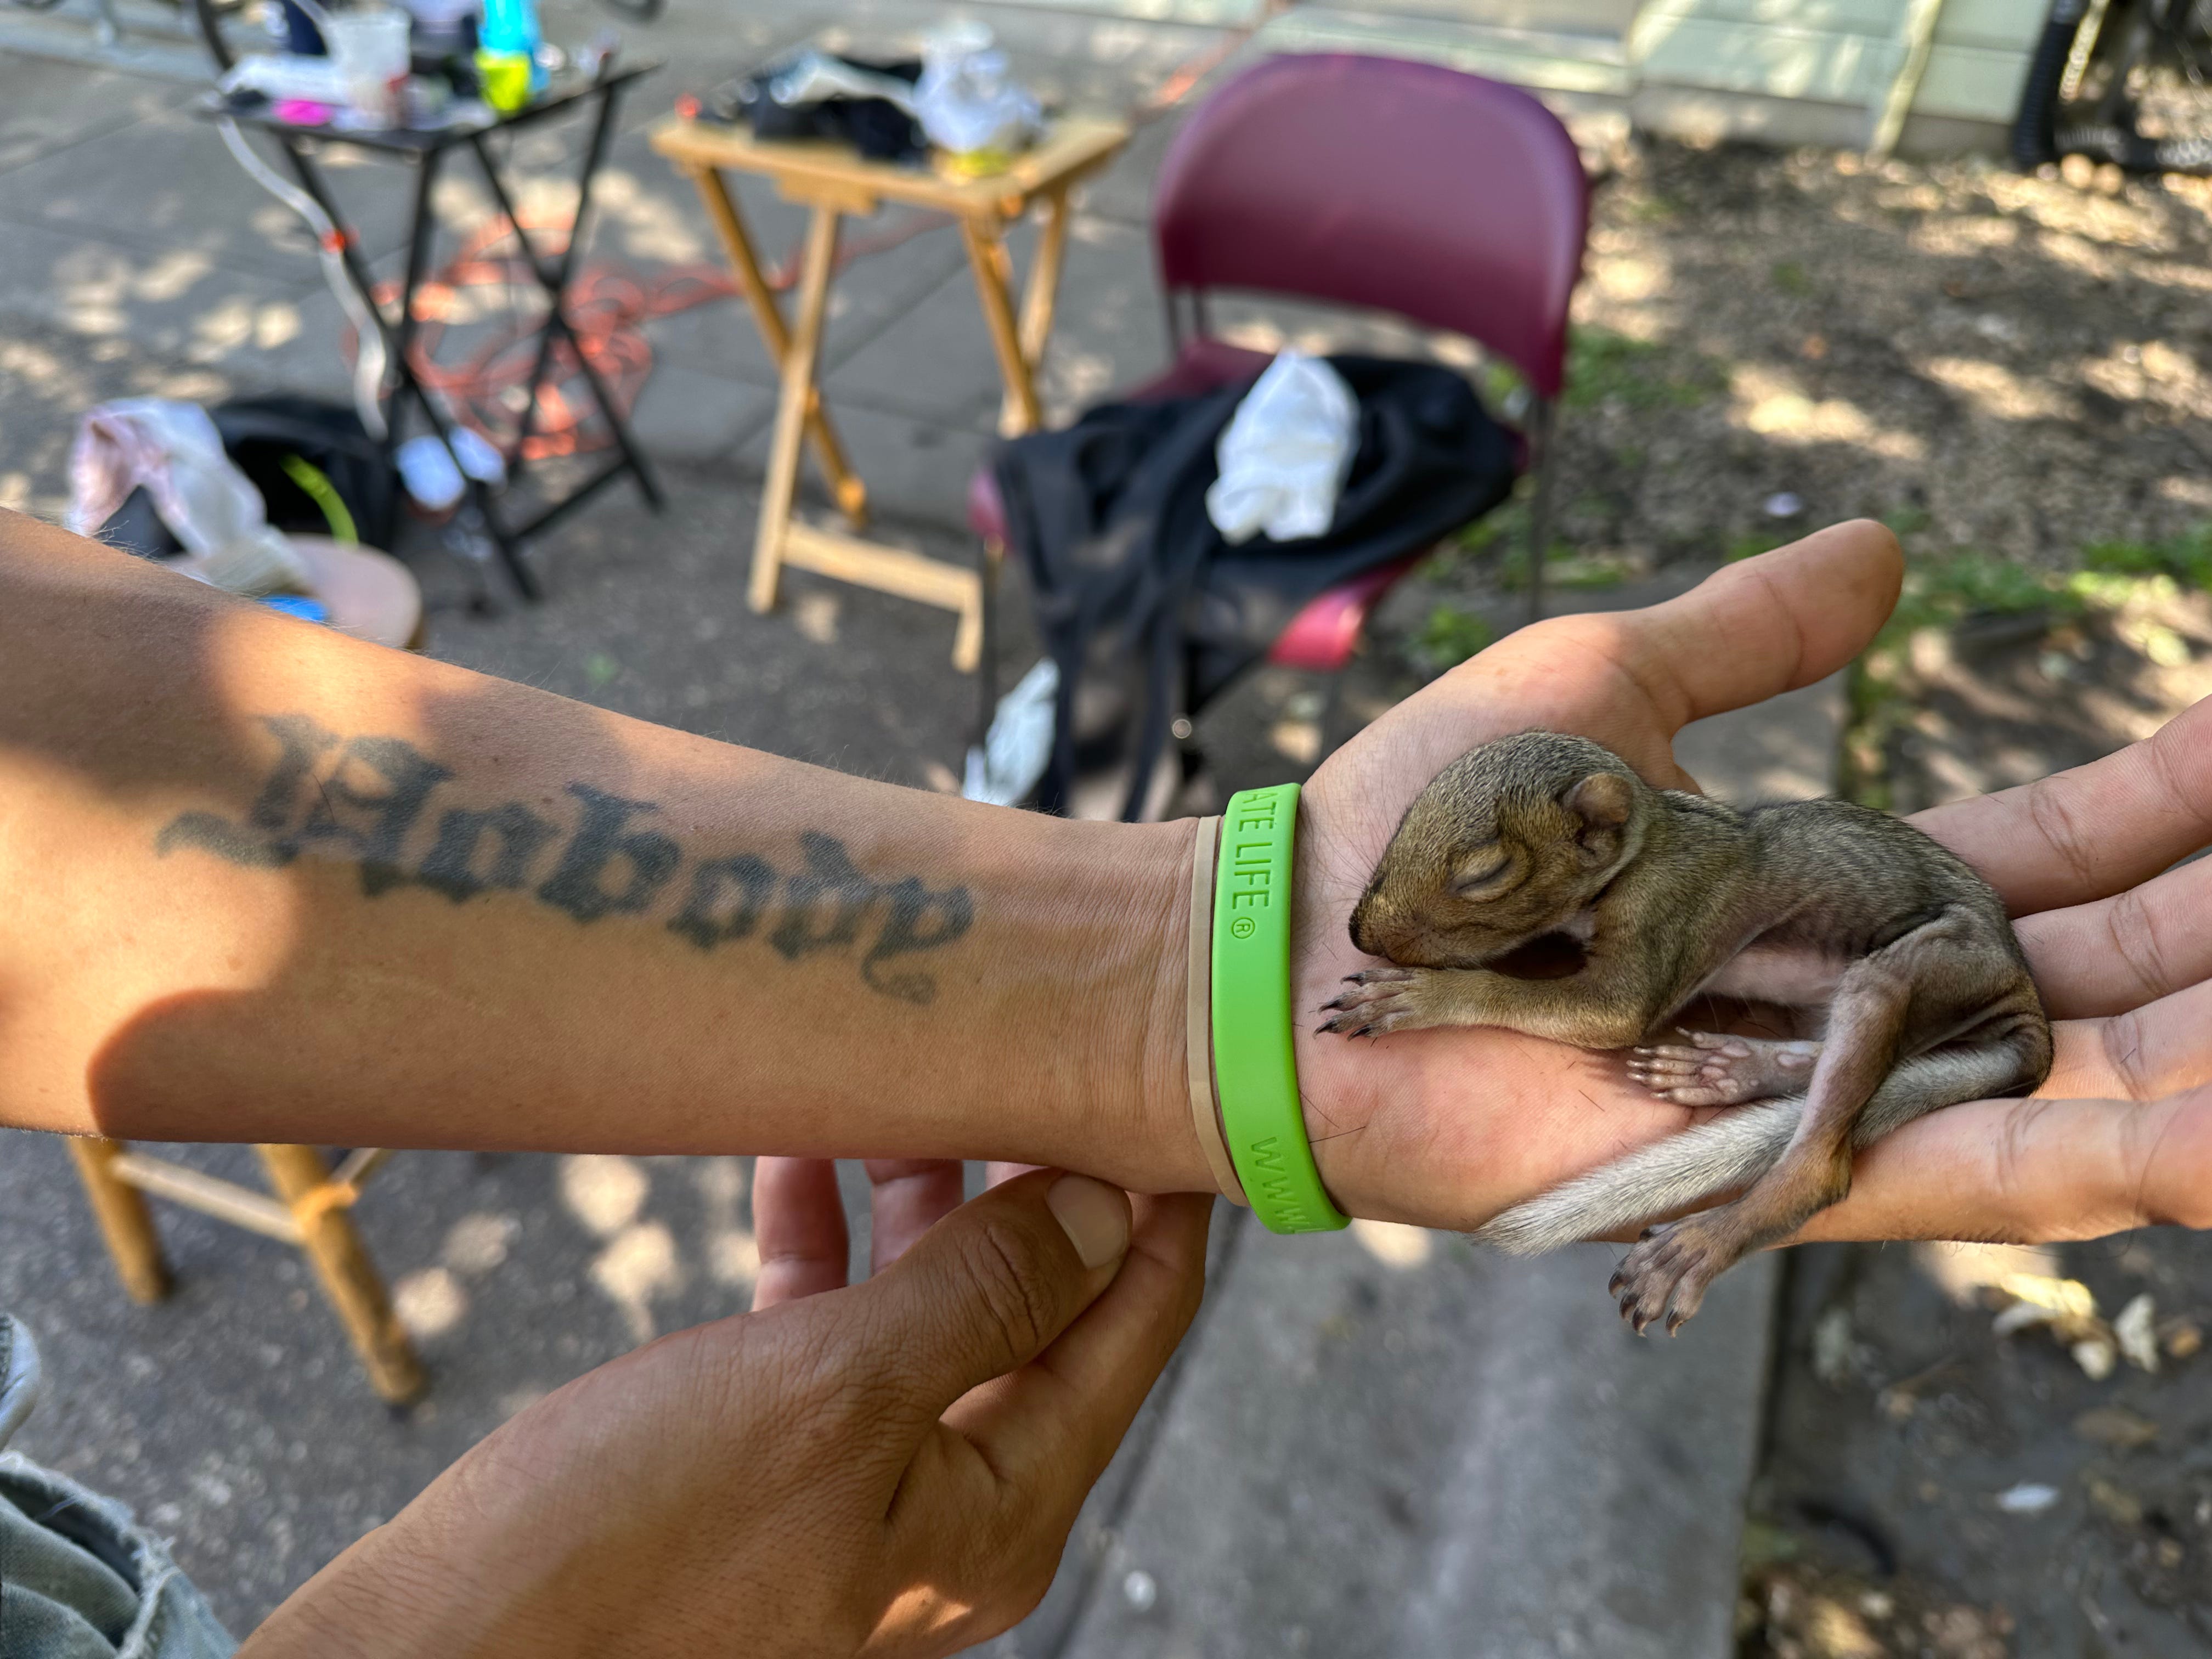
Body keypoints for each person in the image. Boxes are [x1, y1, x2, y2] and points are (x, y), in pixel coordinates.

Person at [2, 509, 2208, 1656]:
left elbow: (69, 760)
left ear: (1599, 840)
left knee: (1830, 1059)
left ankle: (1758, 1188)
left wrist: (1246, 986)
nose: (1406, 936)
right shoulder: (1583, 867)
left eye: (1475, 897)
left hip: (1926, 979)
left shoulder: (1656, 892)